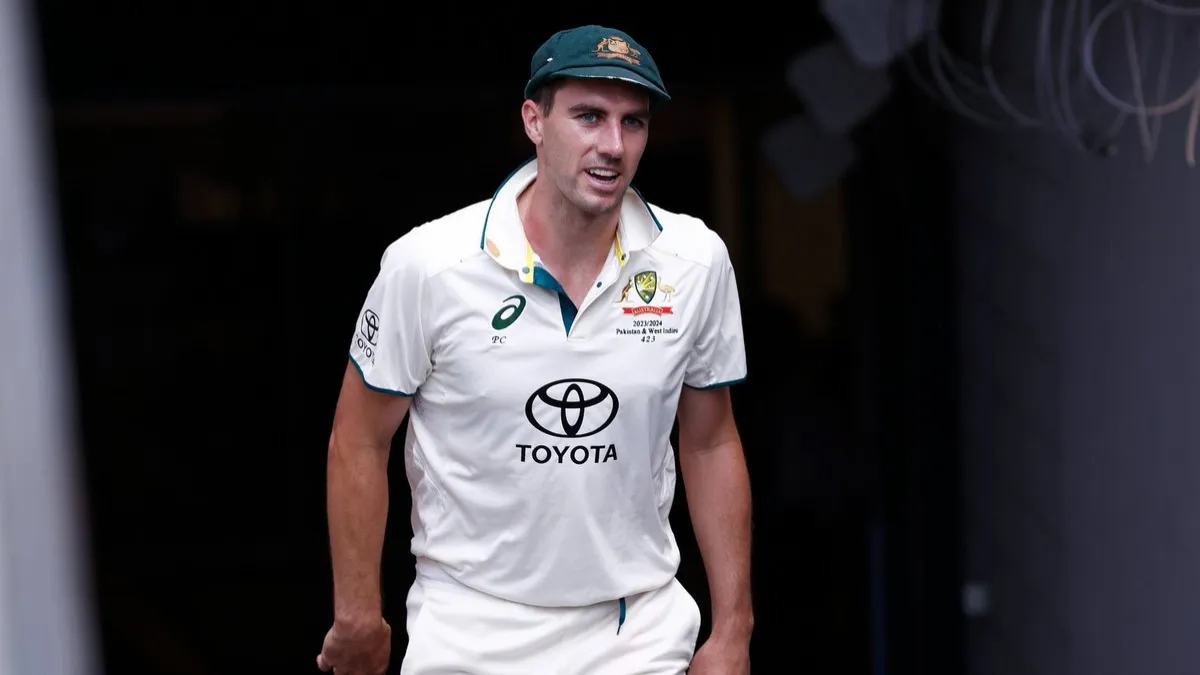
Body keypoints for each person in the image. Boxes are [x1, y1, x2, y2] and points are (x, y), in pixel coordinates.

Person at [316, 24, 753, 675]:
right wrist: (357, 613)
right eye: (588, 116)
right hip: (469, 629)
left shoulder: (694, 260)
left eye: (633, 122)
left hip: (637, 629)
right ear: (533, 120)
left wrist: (733, 629)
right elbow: (358, 439)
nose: (613, 145)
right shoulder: (428, 265)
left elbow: (711, 441)